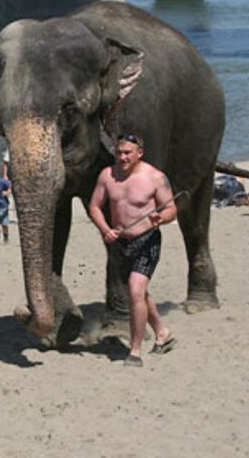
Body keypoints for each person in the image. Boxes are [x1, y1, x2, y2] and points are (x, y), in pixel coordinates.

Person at [88, 133, 177, 367]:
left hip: (147, 241)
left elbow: (171, 210)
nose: (123, 157)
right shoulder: (107, 176)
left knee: (136, 291)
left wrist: (161, 218)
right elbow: (95, 206)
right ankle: (162, 332)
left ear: (140, 153)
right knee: (139, 293)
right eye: (119, 153)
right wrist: (106, 229)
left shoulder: (155, 177)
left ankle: (135, 351)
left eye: (128, 153)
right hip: (120, 243)